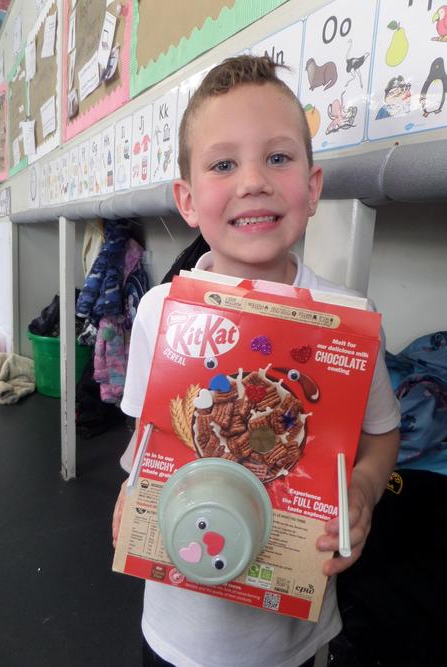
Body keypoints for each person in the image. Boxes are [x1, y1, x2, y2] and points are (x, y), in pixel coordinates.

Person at [112, 55, 401, 667]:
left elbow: (382, 433)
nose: (253, 181)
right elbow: (147, 432)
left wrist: (362, 489)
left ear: (313, 187)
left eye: (277, 157)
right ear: (188, 200)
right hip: (176, 627)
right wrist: (130, 489)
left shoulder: (348, 319)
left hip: (288, 637)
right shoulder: (162, 310)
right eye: (223, 164)